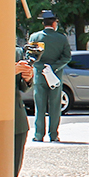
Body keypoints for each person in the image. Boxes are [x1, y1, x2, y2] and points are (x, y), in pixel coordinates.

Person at [29, 9, 72, 142]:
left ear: (44, 23)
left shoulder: (34, 37)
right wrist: (53, 67)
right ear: (54, 23)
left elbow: (30, 56)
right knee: (54, 107)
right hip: (55, 76)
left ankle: (38, 134)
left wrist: (41, 67)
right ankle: (53, 135)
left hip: (39, 75)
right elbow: (67, 57)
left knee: (39, 106)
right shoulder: (61, 38)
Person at [14, 46, 34, 177]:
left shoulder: (17, 52)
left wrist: (27, 78)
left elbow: (22, 87)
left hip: (17, 118)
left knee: (14, 166)